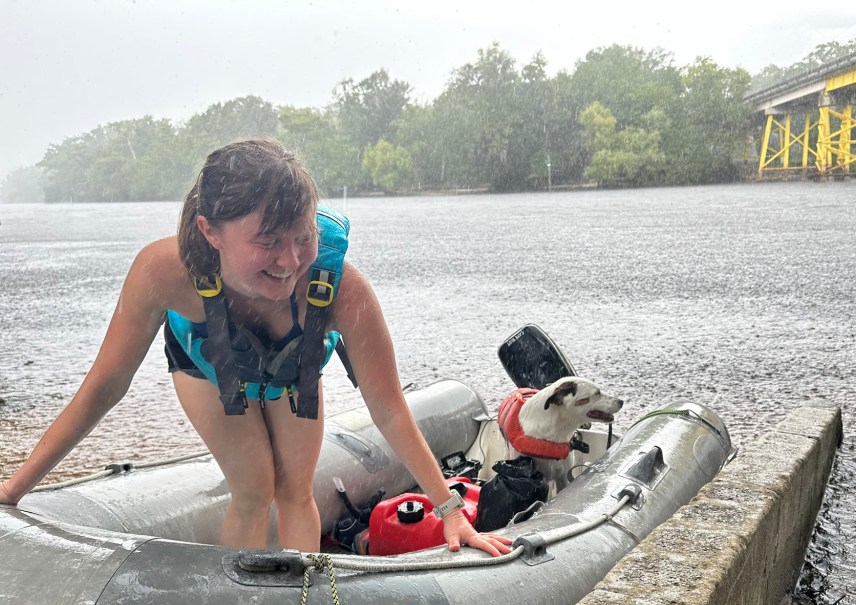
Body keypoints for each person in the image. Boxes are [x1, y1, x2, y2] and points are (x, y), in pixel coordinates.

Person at [0, 138, 511, 557]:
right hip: (208, 363)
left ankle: (304, 601)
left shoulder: (341, 288)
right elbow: (105, 387)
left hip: (294, 367)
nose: (289, 262)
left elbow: (390, 408)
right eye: (267, 241)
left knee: (295, 490)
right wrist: (11, 490)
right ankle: (240, 601)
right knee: (253, 486)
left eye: (302, 237)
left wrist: (450, 511)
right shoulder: (163, 273)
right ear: (210, 231)